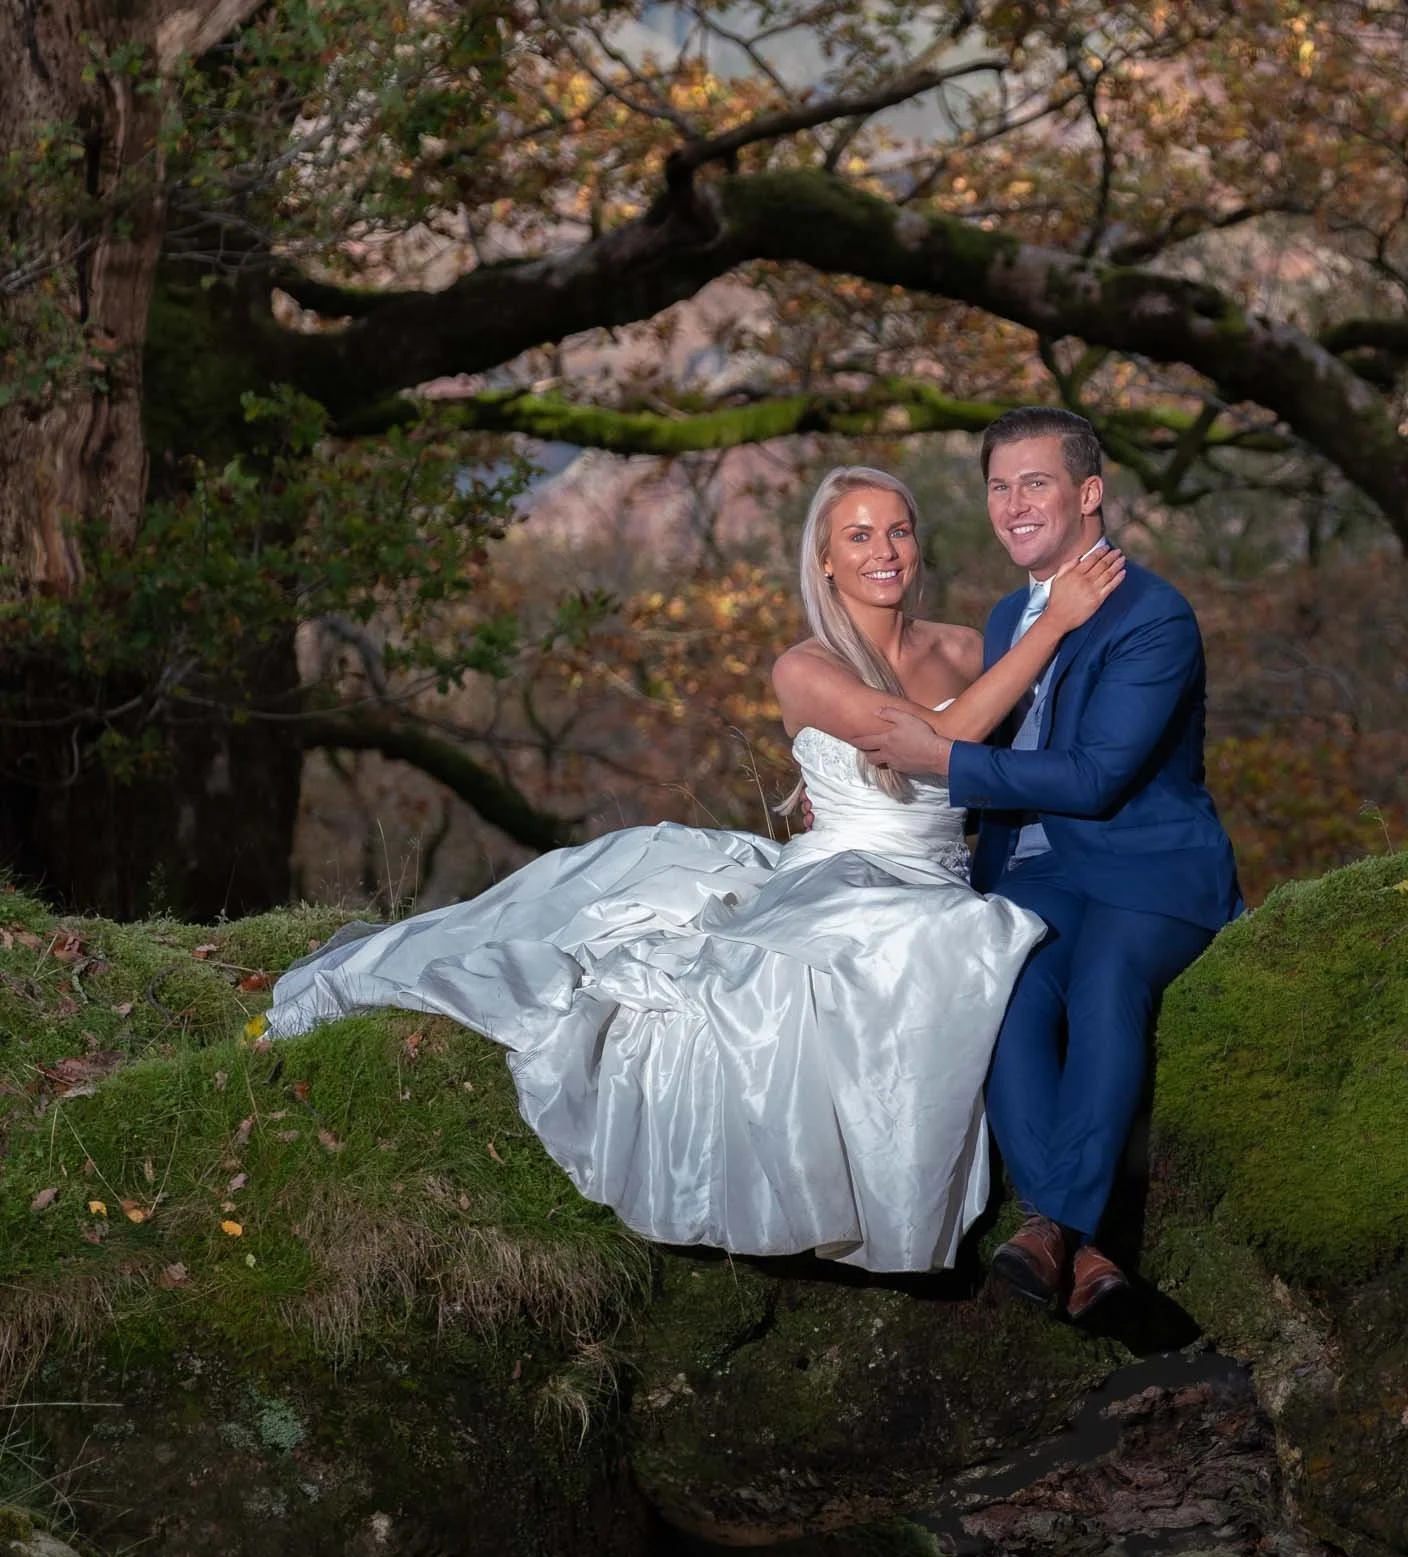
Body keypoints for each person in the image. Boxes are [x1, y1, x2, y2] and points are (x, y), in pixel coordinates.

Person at [261, 466, 1126, 1268]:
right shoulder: (806, 665)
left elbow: (1012, 758)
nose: (884, 553)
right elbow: (943, 743)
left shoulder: (968, 645)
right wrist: (1054, 620)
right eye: (858, 537)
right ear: (823, 562)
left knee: (960, 932)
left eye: (898, 532)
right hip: (847, 869)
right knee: (860, 953)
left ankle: (1058, 1220)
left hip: (937, 866)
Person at [857, 407, 1242, 1319]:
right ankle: (1091, 1255)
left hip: (1146, 869)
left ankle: (1052, 1227)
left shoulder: (1155, 616)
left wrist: (942, 761)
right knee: (1008, 992)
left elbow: (1099, 775)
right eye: (999, 485)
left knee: (1107, 983)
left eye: (1036, 482)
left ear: (1089, 492)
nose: (1014, 502)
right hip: (1034, 873)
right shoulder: (1005, 615)